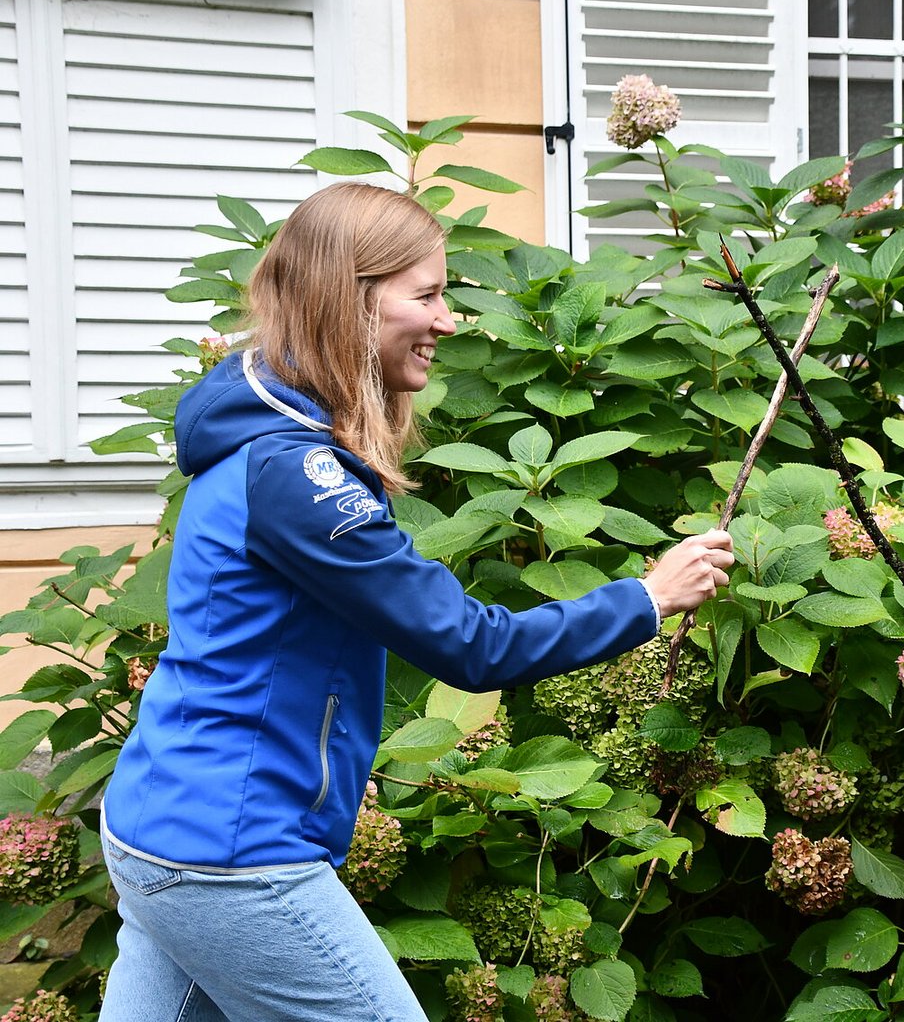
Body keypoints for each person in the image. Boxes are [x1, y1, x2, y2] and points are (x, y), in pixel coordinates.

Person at [98, 182, 735, 1022]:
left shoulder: (263, 437)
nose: (448, 320)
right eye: (426, 295)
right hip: (231, 852)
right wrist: (648, 598)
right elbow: (474, 646)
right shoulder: (296, 475)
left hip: (162, 825)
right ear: (350, 300)